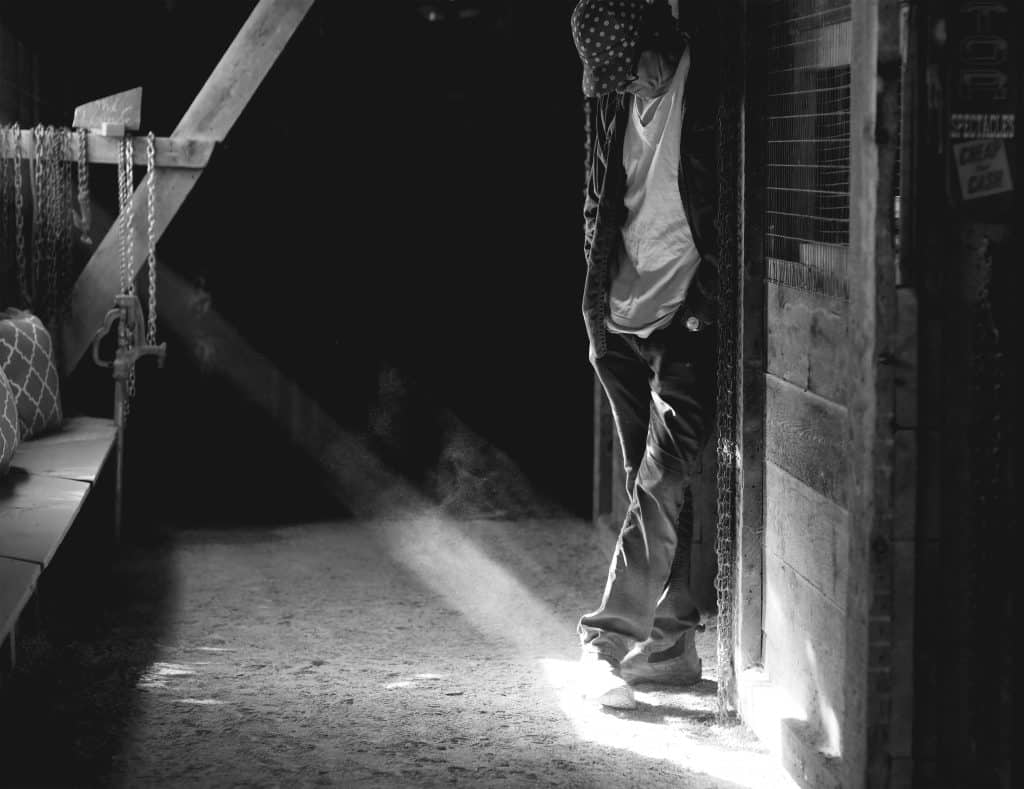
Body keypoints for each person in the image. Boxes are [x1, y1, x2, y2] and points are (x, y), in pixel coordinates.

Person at [570, 0, 719, 708]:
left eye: (631, 69)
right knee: (655, 483)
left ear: (657, 39)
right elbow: (598, 199)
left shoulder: (706, 82)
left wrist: (707, 300)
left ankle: (604, 642)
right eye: (613, 78)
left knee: (661, 479)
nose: (626, 84)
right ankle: (671, 645)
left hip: (685, 315)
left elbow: (730, 200)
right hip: (620, 319)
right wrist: (598, 307)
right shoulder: (611, 99)